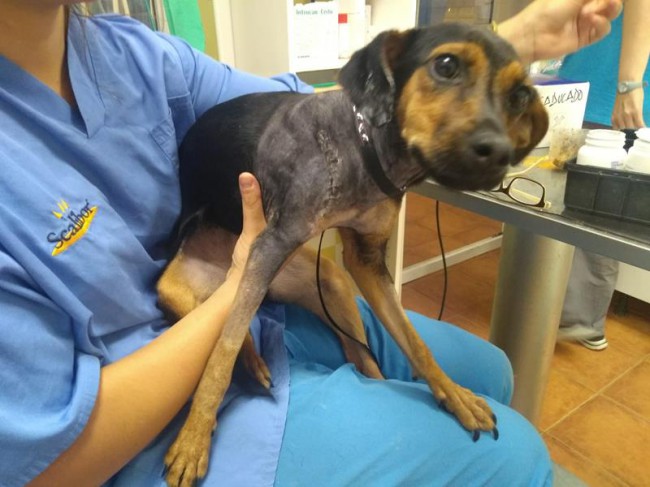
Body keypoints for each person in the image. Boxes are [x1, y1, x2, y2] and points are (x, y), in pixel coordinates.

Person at [0, 0, 621, 485]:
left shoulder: (135, 52)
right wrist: (241, 281)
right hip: (130, 415)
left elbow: (328, 112)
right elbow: (47, 464)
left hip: (256, 294)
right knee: (514, 457)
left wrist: (498, 47)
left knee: (490, 369)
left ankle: (368, 379)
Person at [557, 0, 650, 351]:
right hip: (588, 86)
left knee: (589, 211)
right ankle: (578, 318)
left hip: (607, 94)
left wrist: (628, 85)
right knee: (585, 208)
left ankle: (578, 320)